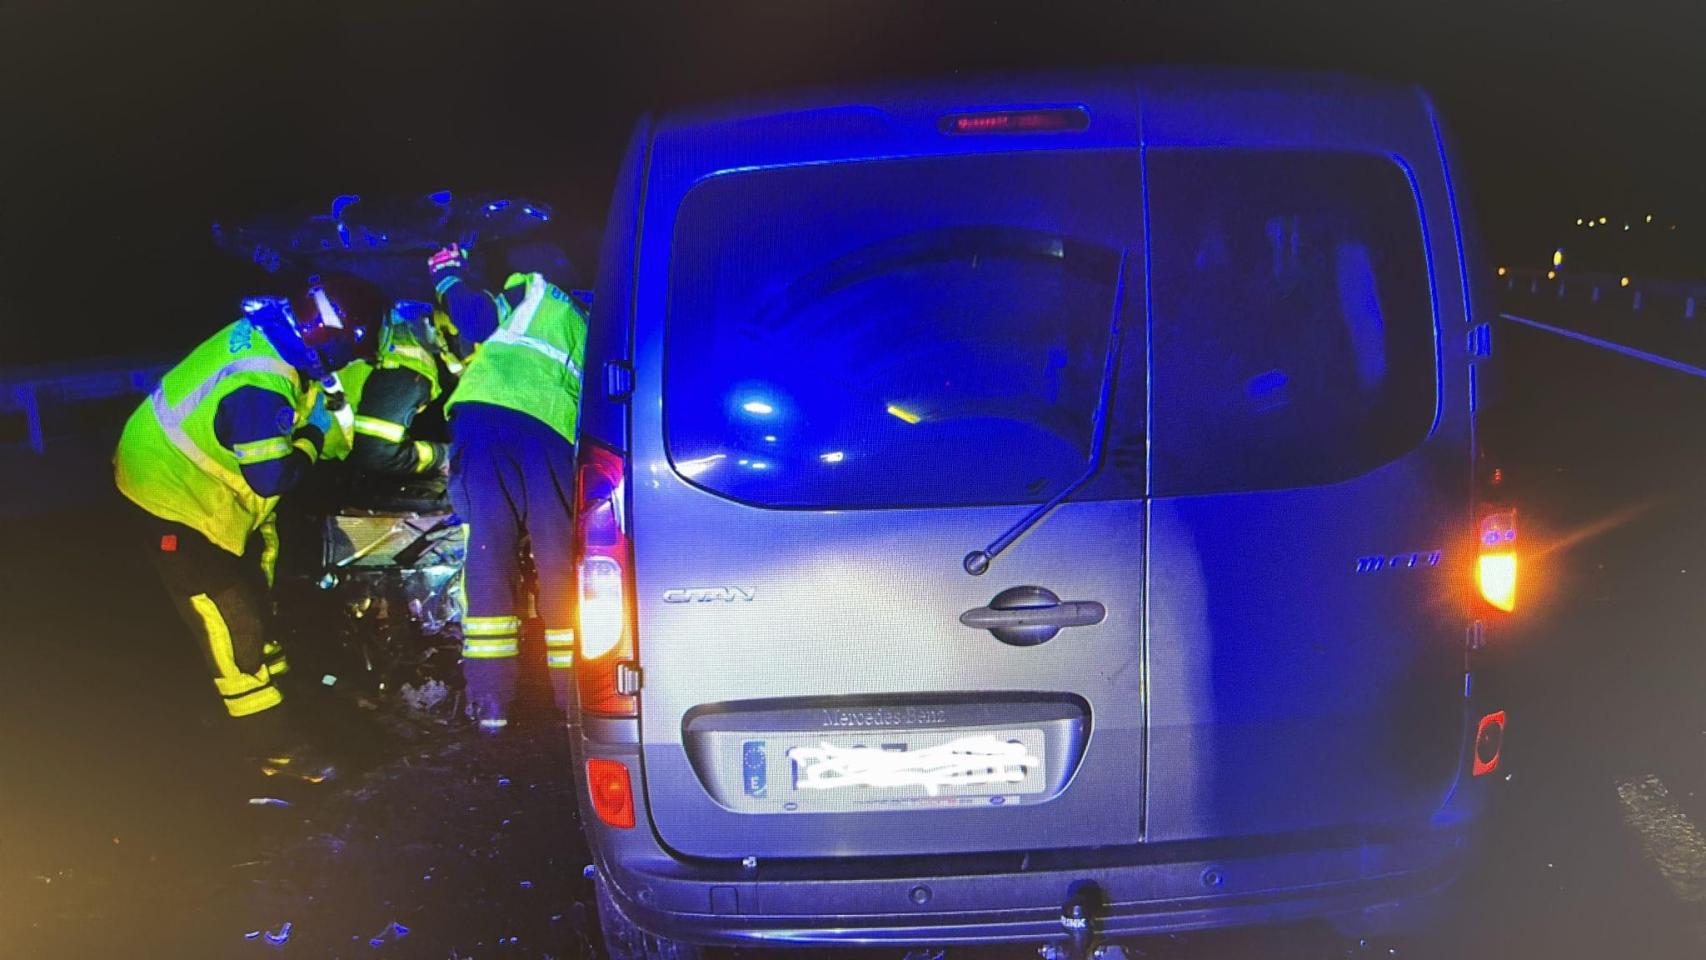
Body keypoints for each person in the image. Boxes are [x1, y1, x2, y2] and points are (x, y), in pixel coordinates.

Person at [114, 274, 383, 770]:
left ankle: (284, 694)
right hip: (169, 497)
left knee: (258, 588)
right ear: (341, 336)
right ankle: (272, 752)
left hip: (205, 482)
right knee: (230, 614)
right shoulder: (262, 383)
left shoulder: (281, 332)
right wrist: (315, 439)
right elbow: (270, 476)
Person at [428, 241, 586, 729]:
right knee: (558, 561)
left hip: (487, 420)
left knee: (489, 555)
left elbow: (473, 323)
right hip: (553, 436)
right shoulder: (585, 322)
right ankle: (571, 702)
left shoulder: (528, 291)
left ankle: (490, 704)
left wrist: (448, 276)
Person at [339, 300, 451, 479]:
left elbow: (375, 454)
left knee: (376, 453)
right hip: (398, 359)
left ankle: (450, 455)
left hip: (398, 366)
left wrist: (441, 457)